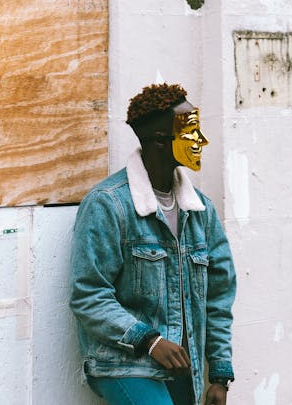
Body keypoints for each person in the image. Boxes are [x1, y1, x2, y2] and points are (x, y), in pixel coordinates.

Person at [70, 83, 236, 405]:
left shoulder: (201, 211)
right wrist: (150, 340)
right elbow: (88, 295)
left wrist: (219, 374)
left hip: (182, 368)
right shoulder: (108, 205)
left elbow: (218, 298)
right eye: (191, 132)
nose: (202, 141)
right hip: (123, 363)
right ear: (161, 141)